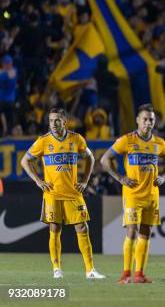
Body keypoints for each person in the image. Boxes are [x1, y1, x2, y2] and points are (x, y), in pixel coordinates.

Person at [19, 108, 106, 280]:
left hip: (73, 193)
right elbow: (25, 161)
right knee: (55, 228)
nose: (54, 123)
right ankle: (56, 269)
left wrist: (85, 181)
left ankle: (90, 270)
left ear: (65, 122)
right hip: (52, 193)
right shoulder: (43, 141)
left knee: (82, 227)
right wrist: (38, 180)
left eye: (57, 120)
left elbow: (90, 158)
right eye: (51, 120)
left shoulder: (76, 139)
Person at [100, 104, 165, 283]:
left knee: (145, 233)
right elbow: (104, 159)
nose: (148, 122)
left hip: (151, 195)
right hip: (133, 194)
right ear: (137, 120)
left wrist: (163, 176)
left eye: (151, 119)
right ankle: (126, 274)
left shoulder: (159, 143)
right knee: (131, 232)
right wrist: (120, 178)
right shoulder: (127, 140)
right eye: (145, 119)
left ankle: (139, 274)